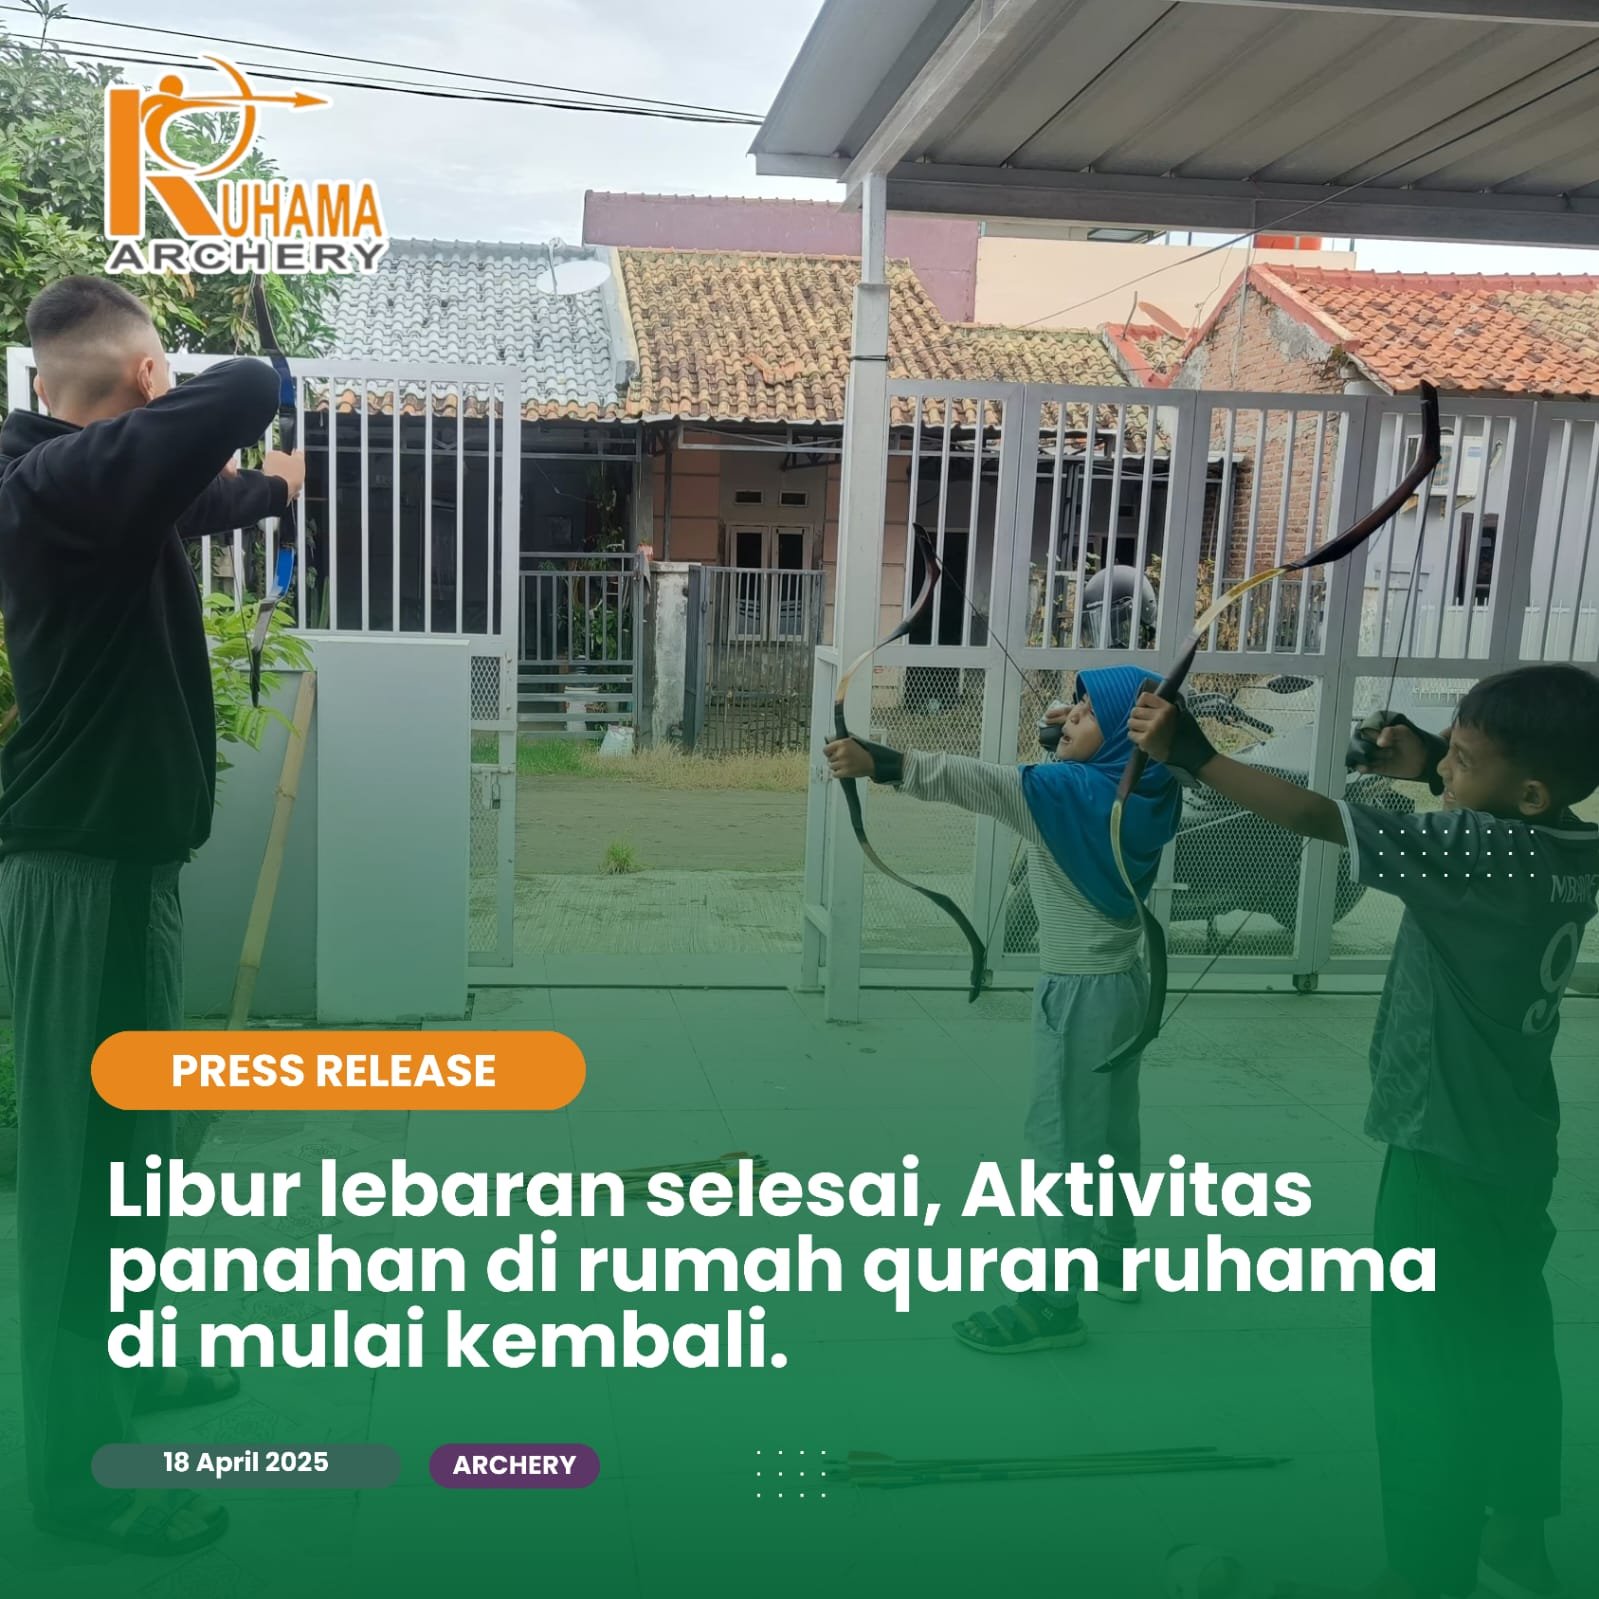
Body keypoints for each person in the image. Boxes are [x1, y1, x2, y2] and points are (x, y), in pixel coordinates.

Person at [1128, 665, 1599, 1599]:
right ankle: (1514, 1527)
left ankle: (1425, 1570)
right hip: (1514, 1148)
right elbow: (1503, 809)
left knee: (1424, 1369)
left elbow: (1316, 817)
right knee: (1509, 1335)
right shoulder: (1571, 845)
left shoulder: (1475, 847)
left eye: (1464, 761)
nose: (1447, 771)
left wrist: (1195, 754)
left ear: (1525, 792)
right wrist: (1434, 764)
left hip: (1441, 1152)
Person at [0, 276, 305, 1557]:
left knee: (135, 1160)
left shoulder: (94, 495)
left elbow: (196, 491)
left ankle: (128, 1379)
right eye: (154, 378)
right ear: (140, 382)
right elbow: (232, 398)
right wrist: (250, 387)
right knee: (85, 1188)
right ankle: (84, 1483)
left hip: (125, 871)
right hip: (84, 880)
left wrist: (272, 491)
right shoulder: (49, 488)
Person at [824, 663, 1183, 1352]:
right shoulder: (1151, 787)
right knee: (1113, 1133)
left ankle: (1053, 1301)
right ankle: (1113, 1253)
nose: (1069, 715)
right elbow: (1093, 760)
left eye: (1087, 713)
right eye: (1072, 706)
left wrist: (880, 761)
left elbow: (975, 780)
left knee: (1061, 1143)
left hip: (1076, 996)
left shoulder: (1061, 793)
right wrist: (1075, 731)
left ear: (1124, 736)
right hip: (1124, 988)